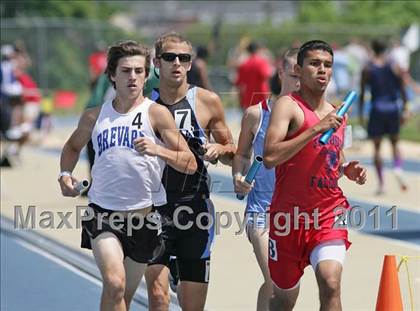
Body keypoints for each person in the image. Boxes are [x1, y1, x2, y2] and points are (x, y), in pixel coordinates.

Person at [58, 40, 197, 311]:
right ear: (112, 75)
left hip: (143, 219)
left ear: (146, 75)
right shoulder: (94, 116)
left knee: (121, 298)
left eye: (138, 71)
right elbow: (72, 147)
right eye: (125, 71)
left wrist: (159, 150)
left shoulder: (157, 115)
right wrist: (65, 174)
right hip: (103, 216)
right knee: (115, 283)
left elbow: (190, 163)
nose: (132, 77)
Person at [264, 40, 367, 311]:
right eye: (314, 63)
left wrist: (346, 170)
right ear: (298, 69)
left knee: (331, 283)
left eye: (328, 65)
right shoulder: (287, 106)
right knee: (283, 300)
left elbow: (331, 156)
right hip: (288, 219)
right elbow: (271, 157)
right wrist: (314, 129)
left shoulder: (337, 114)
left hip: (327, 215)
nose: (322, 70)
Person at [145, 32, 236, 311]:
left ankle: (178, 270)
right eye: (169, 57)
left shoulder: (207, 101)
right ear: (156, 63)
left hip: (194, 208)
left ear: (189, 64)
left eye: (183, 58)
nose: (176, 63)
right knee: (159, 300)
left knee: (192, 307)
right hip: (151, 208)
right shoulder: (143, 102)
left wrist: (219, 150)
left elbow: (232, 150)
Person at [232, 48, 299, 311]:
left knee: (283, 290)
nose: (299, 81)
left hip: (298, 213)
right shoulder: (255, 114)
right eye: (294, 74)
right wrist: (238, 175)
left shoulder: (311, 118)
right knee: (274, 279)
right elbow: (240, 155)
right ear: (281, 73)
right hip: (261, 211)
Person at [359, 39, 409, 194]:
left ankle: (381, 184)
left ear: (373, 49)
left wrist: (361, 114)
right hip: (393, 108)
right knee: (395, 143)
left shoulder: (368, 69)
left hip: (377, 108)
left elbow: (362, 93)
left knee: (377, 147)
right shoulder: (394, 66)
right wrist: (405, 108)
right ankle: (398, 167)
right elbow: (402, 89)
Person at [235, 41, 273, 110]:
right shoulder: (262, 62)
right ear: (258, 50)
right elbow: (267, 76)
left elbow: (240, 85)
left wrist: (240, 100)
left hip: (248, 99)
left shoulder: (243, 64)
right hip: (262, 98)